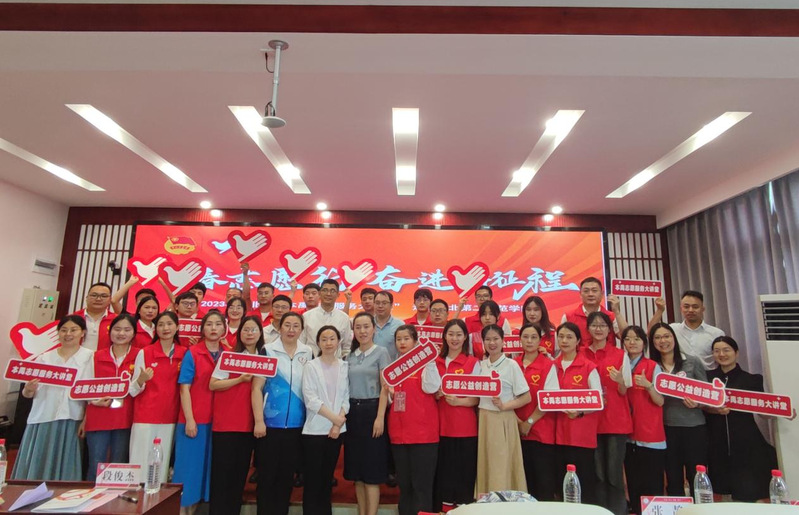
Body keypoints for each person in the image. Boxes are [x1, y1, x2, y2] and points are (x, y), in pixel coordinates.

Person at [11, 315, 94, 481]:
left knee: (66, 463)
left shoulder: (90, 357)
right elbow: (27, 394)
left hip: (71, 417)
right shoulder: (44, 357)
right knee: (37, 462)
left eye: (73, 330)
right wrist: (29, 389)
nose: (68, 334)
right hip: (42, 417)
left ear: (83, 332)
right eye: (63, 330)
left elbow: (90, 394)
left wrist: (86, 420)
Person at [252, 312, 314, 515]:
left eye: (296, 326)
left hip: (297, 426)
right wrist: (259, 421)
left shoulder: (308, 352)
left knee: (286, 478)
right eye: (287, 325)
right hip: (269, 425)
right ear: (280, 328)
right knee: (267, 477)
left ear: (302, 330)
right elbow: (256, 388)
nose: (291, 330)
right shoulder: (268, 350)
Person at [706, 336, 780, 501]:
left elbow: (762, 411)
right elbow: (701, 406)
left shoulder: (752, 379)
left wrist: (782, 411)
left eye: (726, 350)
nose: (722, 354)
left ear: (736, 352)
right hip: (715, 441)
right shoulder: (707, 378)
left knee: (747, 490)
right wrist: (715, 410)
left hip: (746, 441)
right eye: (717, 351)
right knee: (719, 489)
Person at [174, 311, 228, 514]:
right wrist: (189, 419)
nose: (213, 328)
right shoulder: (193, 353)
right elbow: (184, 388)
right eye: (209, 324)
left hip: (219, 421)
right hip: (194, 420)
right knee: (189, 469)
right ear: (202, 329)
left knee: (209, 469)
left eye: (218, 324)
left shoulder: (229, 354)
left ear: (224, 329)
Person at [209, 316, 264, 515]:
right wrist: (239, 380)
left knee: (239, 475)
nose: (249, 333)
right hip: (226, 424)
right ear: (239, 333)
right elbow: (213, 384)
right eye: (245, 330)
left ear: (260, 333)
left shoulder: (264, 359)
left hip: (249, 425)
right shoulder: (230, 356)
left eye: (253, 330)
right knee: (222, 476)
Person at [648, 322, 708, 497]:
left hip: (694, 426)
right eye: (658, 337)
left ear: (674, 338)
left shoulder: (692, 361)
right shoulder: (652, 365)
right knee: (673, 476)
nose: (663, 341)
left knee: (697, 475)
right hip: (666, 427)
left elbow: (707, 394)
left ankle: (699, 507)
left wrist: (698, 403)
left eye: (666, 336)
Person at [387, 325, 441, 515]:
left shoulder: (425, 365)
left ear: (416, 341)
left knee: (422, 487)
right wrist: (389, 394)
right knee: (405, 486)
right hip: (399, 435)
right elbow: (390, 399)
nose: (402, 342)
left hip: (423, 436)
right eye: (398, 339)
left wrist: (430, 361)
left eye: (406, 338)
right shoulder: (393, 368)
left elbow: (432, 387)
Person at [129, 311, 187, 483]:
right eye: (161, 325)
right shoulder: (145, 352)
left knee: (162, 467)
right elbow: (133, 390)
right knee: (140, 463)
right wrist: (141, 379)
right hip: (145, 416)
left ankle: (157, 498)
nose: (165, 328)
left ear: (177, 327)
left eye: (169, 324)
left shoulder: (184, 353)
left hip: (171, 417)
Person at [583, 311, 632, 515]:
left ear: (609, 330)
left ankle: (617, 511)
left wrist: (620, 381)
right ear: (588, 329)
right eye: (594, 325)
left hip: (615, 421)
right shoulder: (581, 353)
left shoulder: (620, 354)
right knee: (596, 473)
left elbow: (624, 390)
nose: (598, 329)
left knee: (613, 473)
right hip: (589, 422)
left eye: (603, 325)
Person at [475, 324, 530, 496]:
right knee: (486, 462)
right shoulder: (481, 365)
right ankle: (487, 499)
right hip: (484, 418)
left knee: (501, 463)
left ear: (503, 341)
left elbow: (526, 397)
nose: (492, 343)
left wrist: (504, 405)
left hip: (503, 419)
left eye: (496, 339)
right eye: (488, 339)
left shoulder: (511, 365)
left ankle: (503, 500)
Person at [344, 312, 390, 515]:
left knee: (372, 472)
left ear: (373, 329)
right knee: (357, 473)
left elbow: (385, 388)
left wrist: (380, 418)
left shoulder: (381, 352)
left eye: (366, 327)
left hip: (373, 411)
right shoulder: (349, 356)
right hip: (352, 414)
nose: (362, 331)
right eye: (358, 327)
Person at [302, 326, 350, 515]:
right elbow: (311, 399)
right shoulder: (311, 366)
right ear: (318, 343)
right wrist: (335, 420)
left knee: (327, 478)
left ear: (338, 341)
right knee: (313, 479)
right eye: (324, 339)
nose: (328, 343)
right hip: (315, 430)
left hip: (337, 431)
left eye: (332, 339)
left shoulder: (344, 366)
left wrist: (338, 424)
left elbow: (346, 397)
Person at [84, 313, 138, 481]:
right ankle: (91, 495)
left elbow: (139, 387)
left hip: (125, 417)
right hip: (99, 416)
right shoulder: (95, 356)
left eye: (127, 330)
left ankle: (115, 497)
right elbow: (84, 385)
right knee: (96, 463)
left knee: (119, 464)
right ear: (109, 331)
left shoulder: (139, 355)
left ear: (134, 333)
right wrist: (95, 401)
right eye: (117, 329)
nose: (121, 333)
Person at [435, 319, 480, 511]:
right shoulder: (435, 362)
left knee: (464, 471)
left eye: (459, 334)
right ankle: (444, 508)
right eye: (451, 334)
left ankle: (463, 509)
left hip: (465, 428)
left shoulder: (473, 363)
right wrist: (436, 394)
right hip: (440, 426)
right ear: (445, 336)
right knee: (444, 471)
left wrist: (459, 402)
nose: (454, 338)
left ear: (465, 337)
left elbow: (477, 398)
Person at [553, 322, 601, 503]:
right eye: (561, 337)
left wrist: (580, 412)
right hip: (558, 435)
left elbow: (598, 399)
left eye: (569, 337)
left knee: (584, 483)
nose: (564, 341)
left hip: (582, 436)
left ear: (578, 340)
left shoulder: (588, 367)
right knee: (562, 484)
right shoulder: (553, 366)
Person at [621, 326, 665, 515]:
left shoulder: (653, 366)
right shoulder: (620, 366)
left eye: (637, 339)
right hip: (628, 435)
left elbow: (660, 401)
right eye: (627, 339)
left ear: (644, 343)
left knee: (652, 485)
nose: (632, 342)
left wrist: (648, 386)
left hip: (650, 434)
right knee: (634, 484)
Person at [514, 323, 559, 501]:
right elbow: (505, 396)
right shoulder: (513, 364)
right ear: (520, 340)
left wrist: (529, 423)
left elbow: (548, 399)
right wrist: (519, 423)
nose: (529, 341)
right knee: (523, 485)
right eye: (525, 337)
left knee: (543, 484)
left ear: (540, 340)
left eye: (534, 337)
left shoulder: (548, 365)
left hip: (541, 433)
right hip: (516, 431)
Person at [648, 290, 725, 370]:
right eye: (686, 307)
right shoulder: (673, 329)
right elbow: (652, 333)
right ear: (681, 309)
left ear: (703, 309)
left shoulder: (716, 333)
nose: (690, 310)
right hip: (681, 375)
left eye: (695, 307)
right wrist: (660, 310)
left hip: (708, 375)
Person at [562, 277, 626, 348]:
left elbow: (625, 337)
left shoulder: (611, 316)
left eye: (594, 291)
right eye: (586, 291)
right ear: (580, 294)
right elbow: (562, 342)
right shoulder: (569, 316)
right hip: (579, 355)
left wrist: (617, 312)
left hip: (607, 355)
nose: (590, 294)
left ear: (602, 294)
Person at [302, 279, 353, 357]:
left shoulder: (344, 318)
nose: (328, 294)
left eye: (332, 291)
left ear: (338, 295)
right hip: (311, 361)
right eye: (325, 290)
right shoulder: (306, 316)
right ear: (319, 293)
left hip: (336, 362)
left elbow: (346, 347)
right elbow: (301, 343)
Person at [73, 281, 115, 351]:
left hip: (104, 357)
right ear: (87, 298)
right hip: (76, 357)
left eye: (104, 296)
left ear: (110, 300)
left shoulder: (116, 320)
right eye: (94, 295)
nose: (98, 299)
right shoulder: (73, 318)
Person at [373, 290, 404, 360]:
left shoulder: (399, 325)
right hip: (370, 366)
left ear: (391, 305)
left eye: (384, 303)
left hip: (391, 366)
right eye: (377, 303)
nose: (380, 306)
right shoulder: (368, 324)